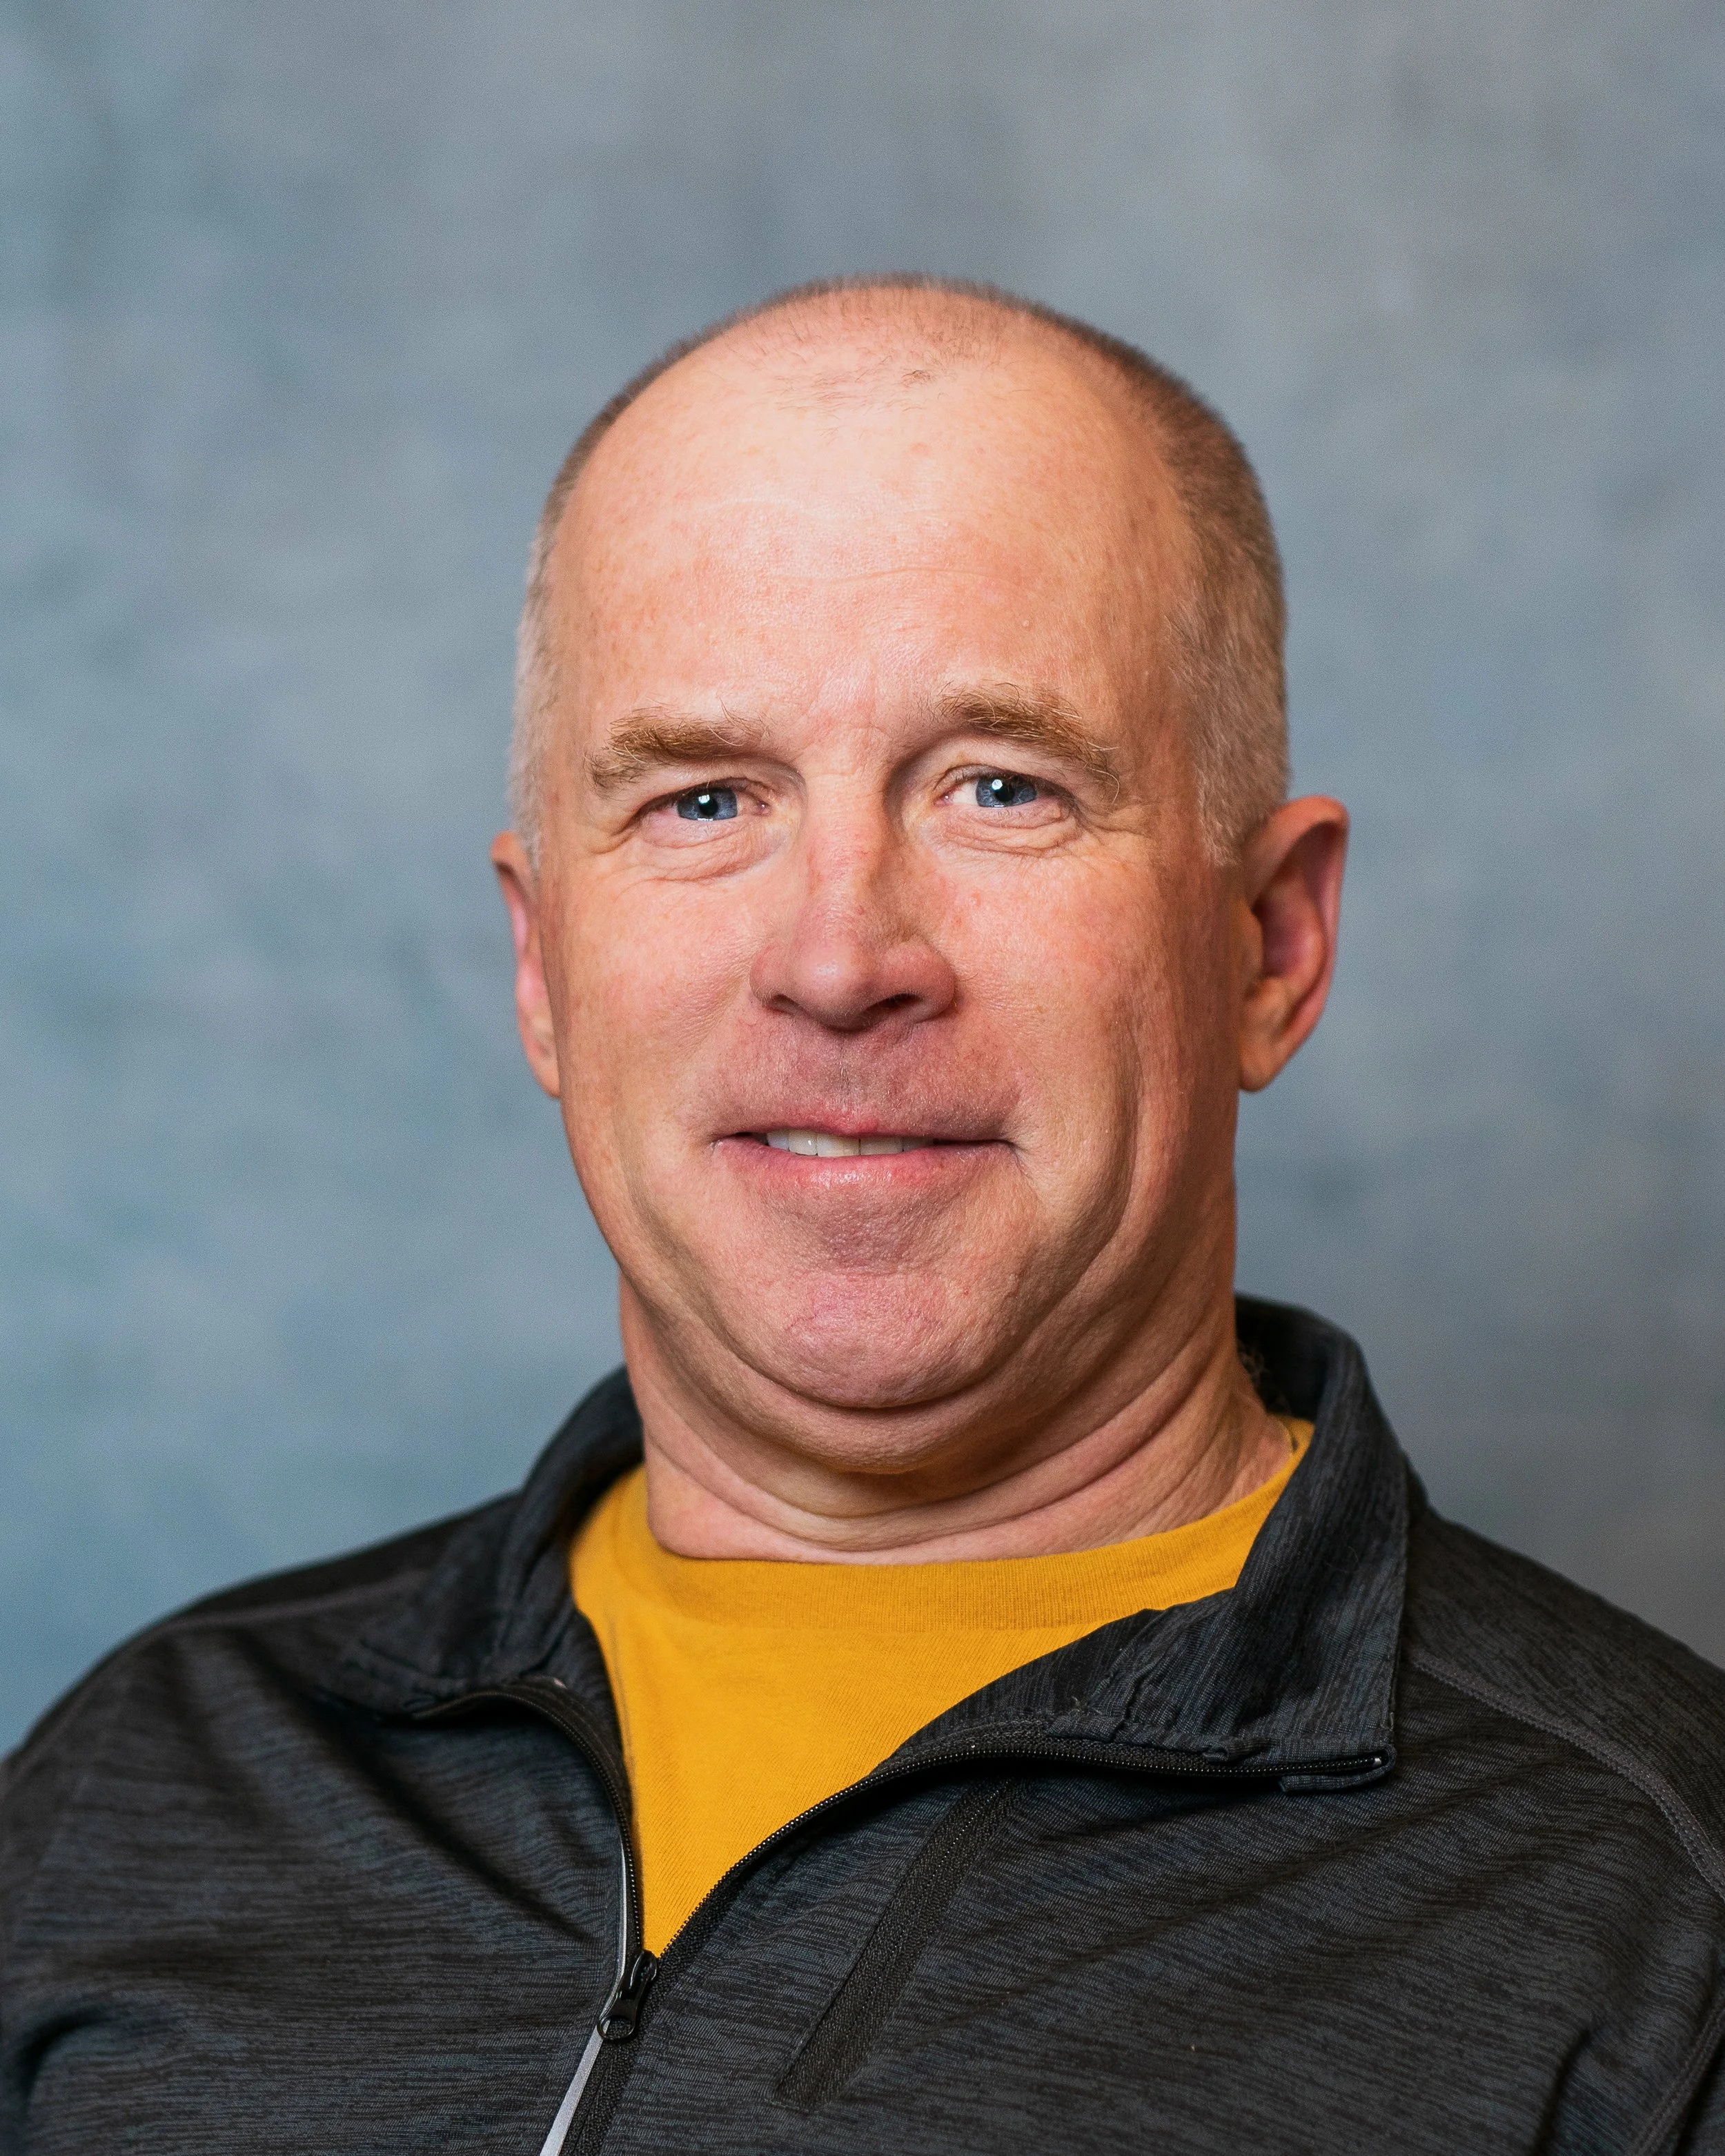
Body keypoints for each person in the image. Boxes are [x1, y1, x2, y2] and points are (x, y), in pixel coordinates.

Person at [4, 277, 1724, 2156]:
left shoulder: (1652, 1912)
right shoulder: (143, 1779)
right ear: (541, 967)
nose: (837, 959)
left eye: (1000, 785)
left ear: (1268, 941)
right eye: (700, 799)